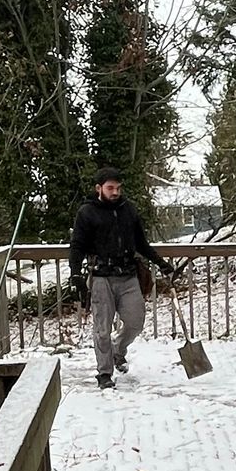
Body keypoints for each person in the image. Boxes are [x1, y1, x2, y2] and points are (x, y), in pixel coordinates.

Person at [69, 164, 157, 388]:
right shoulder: (87, 212)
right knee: (102, 328)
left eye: (118, 188)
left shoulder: (128, 210)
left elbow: (141, 243)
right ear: (99, 188)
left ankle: (119, 350)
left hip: (128, 275)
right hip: (100, 276)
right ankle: (105, 373)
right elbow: (77, 246)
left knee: (136, 322)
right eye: (110, 188)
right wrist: (76, 274)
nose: (115, 192)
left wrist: (162, 263)